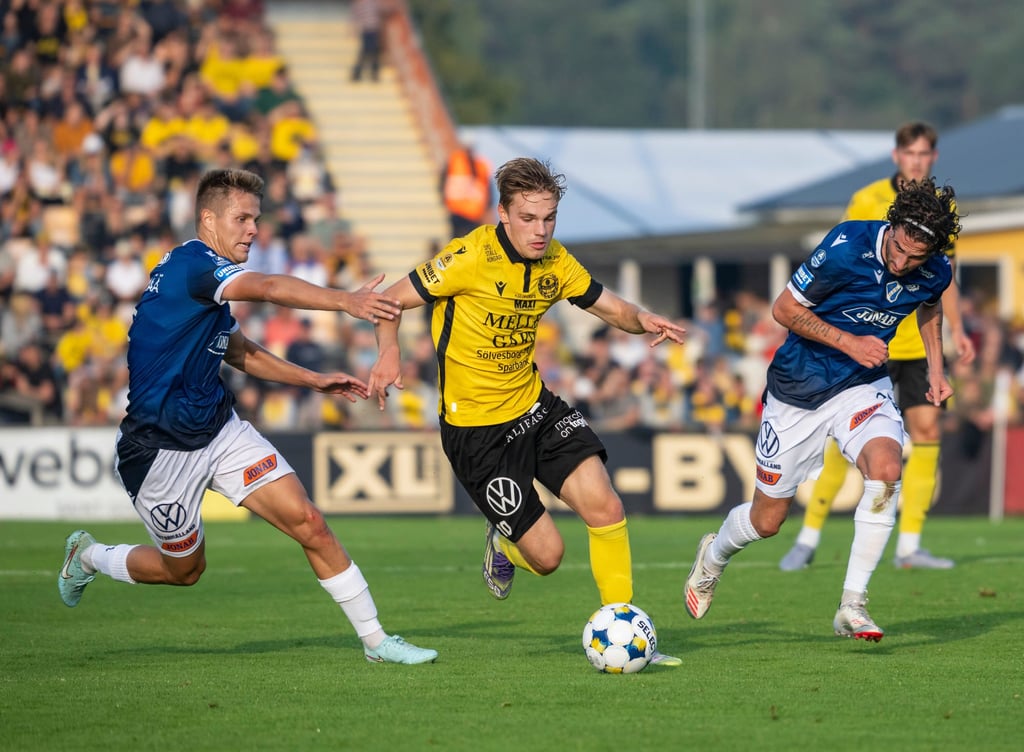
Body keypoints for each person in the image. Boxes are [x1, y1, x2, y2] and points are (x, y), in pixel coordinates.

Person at [58, 168, 437, 665]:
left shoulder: (205, 288)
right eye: (241, 219)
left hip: (220, 432)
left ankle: (376, 641)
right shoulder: (195, 266)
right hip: (157, 452)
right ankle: (87, 556)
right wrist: (346, 301)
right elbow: (274, 287)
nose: (253, 230)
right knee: (185, 571)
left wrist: (313, 380)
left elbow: (238, 352)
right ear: (207, 220)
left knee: (310, 522)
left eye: (256, 219)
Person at [368, 157, 687, 665]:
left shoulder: (556, 262)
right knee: (549, 557)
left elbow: (609, 307)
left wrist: (643, 318)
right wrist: (389, 352)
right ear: (503, 215)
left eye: (549, 218)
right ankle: (504, 542)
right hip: (476, 432)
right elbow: (387, 301)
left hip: (535, 407)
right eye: (529, 219)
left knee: (605, 506)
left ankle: (627, 630)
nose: (541, 231)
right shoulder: (467, 256)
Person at [684, 178, 960, 642]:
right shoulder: (846, 245)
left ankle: (852, 604)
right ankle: (713, 558)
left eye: (915, 258)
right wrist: (849, 341)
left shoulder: (935, 270)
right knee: (766, 521)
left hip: (860, 386)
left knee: (887, 468)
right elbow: (784, 309)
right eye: (899, 250)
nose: (903, 263)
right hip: (798, 389)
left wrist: (937, 368)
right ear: (891, 227)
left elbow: (929, 308)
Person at [779, 122, 975, 572]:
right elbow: (842, 264)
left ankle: (909, 547)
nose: (918, 161)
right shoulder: (866, 201)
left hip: (917, 347)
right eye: (911, 154)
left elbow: (943, 282)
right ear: (897, 157)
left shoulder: (944, 220)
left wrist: (956, 334)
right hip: (867, 344)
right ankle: (808, 537)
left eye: (925, 155)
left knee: (926, 434)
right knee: (842, 438)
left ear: (933, 159)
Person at [441, 142, 494, 238]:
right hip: (458, 212)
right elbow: (443, 183)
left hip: (474, 213)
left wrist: (487, 209)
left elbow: (488, 191)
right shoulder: (455, 161)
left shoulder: (480, 165)